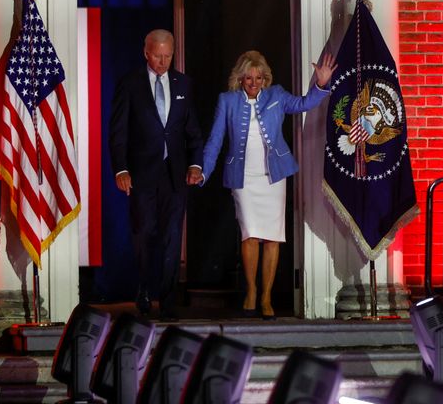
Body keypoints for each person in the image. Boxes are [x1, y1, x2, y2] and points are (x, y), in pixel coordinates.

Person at [201, 50, 336, 319]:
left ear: (265, 78)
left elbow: (303, 104)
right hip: (243, 178)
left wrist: (321, 84)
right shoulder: (227, 101)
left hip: (273, 177)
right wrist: (203, 172)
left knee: (272, 237)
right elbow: (215, 140)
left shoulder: (276, 95)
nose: (254, 82)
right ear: (239, 79)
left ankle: (266, 297)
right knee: (250, 234)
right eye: (248, 78)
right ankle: (251, 291)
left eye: (259, 78)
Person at [108, 29, 203, 321]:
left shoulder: (183, 83)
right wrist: (121, 169)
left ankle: (169, 299)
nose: (163, 62)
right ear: (146, 52)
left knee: (172, 236)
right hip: (142, 174)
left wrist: (196, 164)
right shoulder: (131, 83)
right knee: (144, 233)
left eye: (168, 56)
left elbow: (193, 131)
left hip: (175, 174)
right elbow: (118, 132)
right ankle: (145, 289)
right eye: (158, 56)